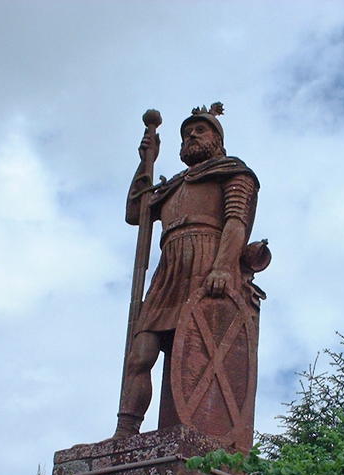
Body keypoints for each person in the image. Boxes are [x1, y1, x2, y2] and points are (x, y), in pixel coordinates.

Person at [114, 103, 267, 439]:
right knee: (139, 355)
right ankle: (126, 431)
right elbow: (135, 212)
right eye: (186, 133)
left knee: (200, 352)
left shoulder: (233, 172)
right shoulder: (171, 186)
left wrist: (223, 267)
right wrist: (146, 162)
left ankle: (203, 434)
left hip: (206, 261)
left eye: (200, 130)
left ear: (217, 139)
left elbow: (237, 222)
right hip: (168, 271)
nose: (191, 137)